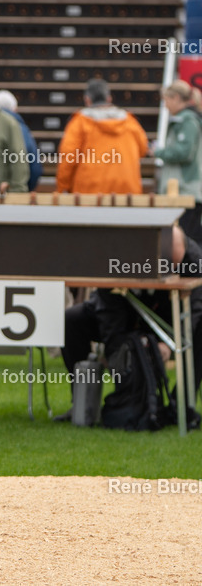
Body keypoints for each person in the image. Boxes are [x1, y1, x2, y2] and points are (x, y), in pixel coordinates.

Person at [58, 224, 202, 421]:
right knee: (72, 320)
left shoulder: (195, 260)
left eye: (175, 266)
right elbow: (109, 311)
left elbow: (195, 312)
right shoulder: (121, 254)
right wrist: (117, 354)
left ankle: (180, 407)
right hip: (121, 312)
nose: (171, 271)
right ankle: (83, 404)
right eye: (166, 265)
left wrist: (169, 342)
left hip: (166, 321)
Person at [55, 78, 147, 196]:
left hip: (89, 191)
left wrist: (62, 187)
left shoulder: (79, 123)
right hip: (127, 190)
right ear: (109, 99)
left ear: (87, 100)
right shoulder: (130, 122)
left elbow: (68, 156)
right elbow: (143, 150)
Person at [154, 80, 202, 245]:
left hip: (185, 190)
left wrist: (158, 152)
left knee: (186, 243)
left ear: (175, 98)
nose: (165, 105)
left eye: (166, 100)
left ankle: (191, 271)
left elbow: (184, 152)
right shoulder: (186, 120)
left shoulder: (186, 121)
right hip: (185, 192)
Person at [0, 90, 42, 191]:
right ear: (15, 109)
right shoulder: (21, 128)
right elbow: (34, 168)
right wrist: (25, 189)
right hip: (13, 194)